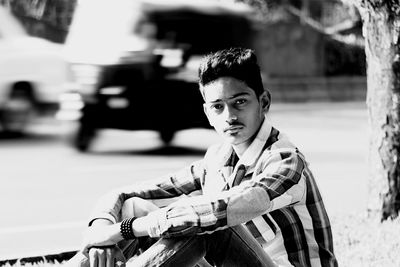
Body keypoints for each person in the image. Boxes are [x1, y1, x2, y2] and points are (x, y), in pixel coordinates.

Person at [67, 47, 337, 267]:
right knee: (136, 206)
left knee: (208, 225)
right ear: (207, 114)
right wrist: (100, 229)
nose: (229, 116)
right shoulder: (217, 160)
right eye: (218, 107)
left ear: (263, 102)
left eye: (240, 102)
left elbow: (221, 212)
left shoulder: (286, 161)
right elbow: (127, 194)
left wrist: (124, 230)